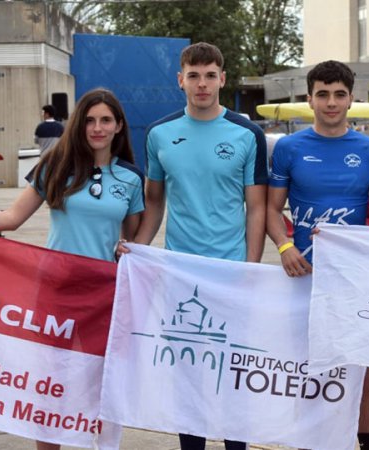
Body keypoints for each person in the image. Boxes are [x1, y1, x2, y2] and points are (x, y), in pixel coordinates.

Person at [0, 88, 144, 450]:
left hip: (104, 297)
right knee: (50, 385)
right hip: (55, 290)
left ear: (119, 126)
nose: (97, 128)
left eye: (106, 120)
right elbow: (11, 218)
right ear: (78, 124)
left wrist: (130, 247)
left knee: (103, 384)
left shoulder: (132, 178)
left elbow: (134, 239)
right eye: (90, 120)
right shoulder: (56, 165)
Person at [122, 42, 268, 450]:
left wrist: (250, 266)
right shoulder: (159, 133)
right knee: (188, 375)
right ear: (180, 80)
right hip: (180, 274)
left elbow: (256, 208)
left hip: (231, 272)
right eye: (193, 75)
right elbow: (154, 202)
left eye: (209, 75)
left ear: (222, 79)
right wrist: (136, 248)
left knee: (232, 372)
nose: (202, 84)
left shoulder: (248, 134)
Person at [266, 60, 369, 450]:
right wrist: (285, 246)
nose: (330, 102)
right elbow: (271, 210)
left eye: (338, 95)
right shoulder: (289, 148)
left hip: (354, 279)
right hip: (305, 277)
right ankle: (309, 442)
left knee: (360, 372)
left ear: (351, 99)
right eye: (323, 94)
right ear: (310, 98)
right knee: (306, 370)